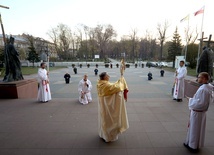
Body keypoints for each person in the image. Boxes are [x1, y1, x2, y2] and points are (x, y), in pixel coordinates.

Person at [184, 72, 214, 153]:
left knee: (195, 129)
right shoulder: (209, 87)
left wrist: (190, 99)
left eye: (199, 77)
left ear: (204, 79)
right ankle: (190, 142)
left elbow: (201, 103)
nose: (198, 78)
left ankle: (193, 146)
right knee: (195, 129)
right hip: (201, 113)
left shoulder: (204, 89)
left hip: (197, 113)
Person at [97, 72, 129, 142]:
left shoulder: (100, 84)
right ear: (105, 77)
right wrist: (121, 81)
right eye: (108, 75)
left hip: (103, 107)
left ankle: (103, 134)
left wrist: (120, 80)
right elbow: (116, 87)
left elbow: (113, 86)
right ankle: (108, 137)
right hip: (108, 109)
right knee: (109, 122)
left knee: (104, 120)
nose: (109, 76)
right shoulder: (106, 85)